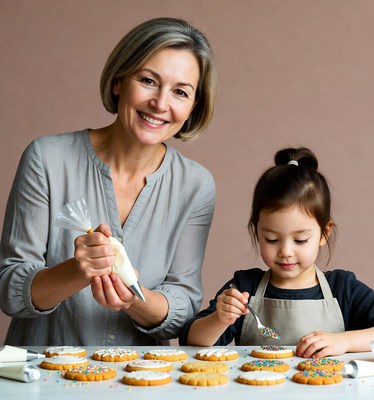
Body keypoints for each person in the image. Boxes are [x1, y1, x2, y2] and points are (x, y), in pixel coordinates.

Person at [0, 17, 217, 346]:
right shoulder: (47, 158)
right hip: (42, 384)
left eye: (180, 92)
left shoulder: (196, 185)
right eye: (147, 80)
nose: (160, 103)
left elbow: (183, 310)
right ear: (118, 81)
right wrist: (77, 270)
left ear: (192, 107)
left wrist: (132, 298)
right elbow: (9, 291)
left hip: (141, 385)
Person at [180, 147, 374, 358]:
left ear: (324, 233)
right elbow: (190, 340)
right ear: (256, 232)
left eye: (300, 240)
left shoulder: (343, 289)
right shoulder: (246, 287)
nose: (285, 251)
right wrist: (221, 318)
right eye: (272, 239)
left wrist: (344, 342)